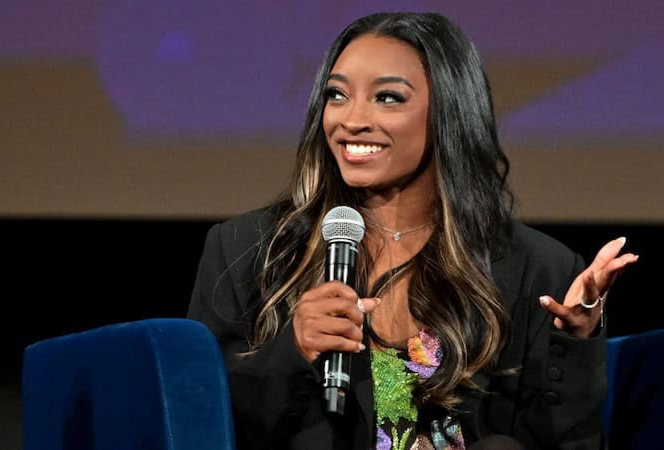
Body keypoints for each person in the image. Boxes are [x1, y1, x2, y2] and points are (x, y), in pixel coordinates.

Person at [188, 11, 638, 450]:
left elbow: (563, 440)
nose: (351, 120)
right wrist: (293, 351)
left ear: (448, 111)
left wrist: (576, 344)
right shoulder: (247, 250)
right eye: (337, 95)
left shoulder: (535, 268)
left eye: (387, 98)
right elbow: (198, 423)